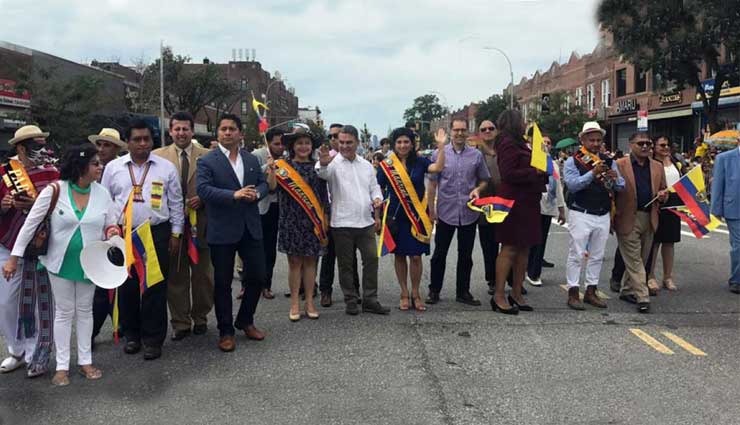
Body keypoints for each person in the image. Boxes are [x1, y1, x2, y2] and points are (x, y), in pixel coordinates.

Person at [4, 144, 119, 386]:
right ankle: (62, 366)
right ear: (81, 166)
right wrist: (14, 258)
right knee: (65, 312)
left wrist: (112, 231)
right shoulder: (54, 190)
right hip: (59, 262)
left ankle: (86, 361)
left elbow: (111, 221)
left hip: (91, 262)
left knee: (85, 310)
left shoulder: (102, 193)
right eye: (95, 163)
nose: (100, 167)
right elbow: (29, 226)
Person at [101, 119, 184, 360]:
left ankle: (153, 339)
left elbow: (176, 203)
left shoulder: (166, 168)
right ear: (127, 142)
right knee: (126, 287)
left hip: (156, 233)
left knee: (154, 287)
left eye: (147, 138)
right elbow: (105, 202)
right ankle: (132, 336)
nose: (142, 143)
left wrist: (176, 233)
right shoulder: (114, 168)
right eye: (137, 139)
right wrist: (109, 232)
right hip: (123, 235)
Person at [196, 114, 267, 352]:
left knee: (258, 276)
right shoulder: (208, 161)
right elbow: (203, 190)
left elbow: (263, 183)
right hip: (222, 229)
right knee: (223, 283)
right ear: (218, 133)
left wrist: (257, 193)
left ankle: (245, 320)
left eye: (232, 129)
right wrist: (233, 195)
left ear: (240, 133)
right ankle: (226, 331)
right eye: (224, 129)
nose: (228, 132)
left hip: (250, 227)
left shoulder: (251, 159)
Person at [0, 125, 59, 377]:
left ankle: (39, 352)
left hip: (42, 245)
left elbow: (60, 206)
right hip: (9, 244)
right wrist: (5, 206)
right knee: (7, 302)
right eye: (36, 145)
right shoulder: (6, 172)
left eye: (42, 143)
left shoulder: (53, 172)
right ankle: (17, 351)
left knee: (41, 303)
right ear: (21, 148)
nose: (42, 149)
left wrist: (36, 204)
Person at [152, 112, 214, 341]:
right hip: (172, 226)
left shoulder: (208, 156)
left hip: (202, 225)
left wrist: (204, 198)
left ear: (192, 131)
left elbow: (218, 185)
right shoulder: (157, 156)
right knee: (176, 276)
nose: (181, 133)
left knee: (203, 276)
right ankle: (181, 322)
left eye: (185, 129)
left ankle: (201, 318)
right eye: (177, 129)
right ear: (170, 131)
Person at [316, 125, 389, 315]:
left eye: (349, 142)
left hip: (365, 222)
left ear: (357, 142)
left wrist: (377, 198)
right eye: (341, 142)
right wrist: (323, 163)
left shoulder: (366, 165)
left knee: (372, 259)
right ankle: (350, 300)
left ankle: (370, 299)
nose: (345, 146)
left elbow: (374, 187)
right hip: (341, 224)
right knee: (346, 265)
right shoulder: (331, 164)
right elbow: (321, 173)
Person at [377, 127, 446, 311]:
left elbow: (438, 167)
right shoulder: (387, 165)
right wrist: (378, 215)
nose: (402, 145)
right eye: (399, 142)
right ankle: (404, 292)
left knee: (416, 257)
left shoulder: (421, 162)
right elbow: (377, 190)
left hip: (416, 215)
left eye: (406, 141)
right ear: (394, 145)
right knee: (399, 255)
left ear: (411, 143)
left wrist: (441, 146)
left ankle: (416, 293)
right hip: (395, 217)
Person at [427, 119, 490, 306]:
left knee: (466, 255)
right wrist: (431, 210)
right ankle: (434, 290)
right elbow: (432, 184)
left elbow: (484, 179)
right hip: (445, 211)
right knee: (439, 254)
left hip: (468, 212)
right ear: (450, 132)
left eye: (463, 130)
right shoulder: (439, 154)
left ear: (468, 131)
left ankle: (463, 292)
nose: (460, 134)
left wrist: (478, 190)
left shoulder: (476, 155)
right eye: (456, 130)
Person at [562, 122, 624, 309]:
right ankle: (573, 292)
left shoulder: (609, 161)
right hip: (581, 212)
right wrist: (592, 174)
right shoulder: (573, 161)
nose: (596, 144)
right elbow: (572, 185)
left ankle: (591, 290)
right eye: (592, 140)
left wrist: (615, 179)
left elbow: (622, 186)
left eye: (598, 140)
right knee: (576, 254)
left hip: (602, 213)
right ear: (583, 140)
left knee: (597, 255)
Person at [490, 110, 544, 314]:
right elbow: (508, 173)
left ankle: (517, 292)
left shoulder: (520, 143)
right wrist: (535, 171)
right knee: (510, 247)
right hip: (514, 202)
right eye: (521, 120)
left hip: (527, 201)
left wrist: (541, 171)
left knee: (524, 248)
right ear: (514, 122)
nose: (524, 123)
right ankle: (499, 295)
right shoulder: (506, 142)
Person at [271, 129, 329, 320]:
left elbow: (323, 194)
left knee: (311, 261)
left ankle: (310, 302)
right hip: (291, 219)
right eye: (299, 143)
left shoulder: (318, 167)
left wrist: (326, 217)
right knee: (295, 263)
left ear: (311, 146)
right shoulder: (282, 166)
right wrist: (271, 171)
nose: (303, 147)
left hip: (313, 220)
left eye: (307, 143)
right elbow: (272, 188)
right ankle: (295, 302)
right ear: (292, 146)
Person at [615, 133, 668, 313]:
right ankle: (642, 296)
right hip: (627, 217)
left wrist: (662, 195)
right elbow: (612, 190)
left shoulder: (657, 166)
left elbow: (664, 190)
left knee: (643, 257)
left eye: (648, 144)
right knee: (635, 260)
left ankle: (627, 290)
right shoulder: (620, 164)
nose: (645, 147)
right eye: (641, 144)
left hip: (650, 216)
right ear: (631, 145)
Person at [88, 128, 126, 346]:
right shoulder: (89, 168)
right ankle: (92, 332)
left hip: (116, 231)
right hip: (94, 232)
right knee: (100, 287)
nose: (101, 149)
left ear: (117, 148)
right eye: (99, 144)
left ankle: (121, 324)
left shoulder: (120, 169)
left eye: (107, 145)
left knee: (118, 283)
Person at [318, 123, 359, 307]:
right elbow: (320, 173)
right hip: (328, 213)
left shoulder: (351, 160)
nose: (335, 140)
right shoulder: (325, 159)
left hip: (347, 216)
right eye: (332, 137)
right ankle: (325, 291)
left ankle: (354, 290)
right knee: (328, 256)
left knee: (350, 257)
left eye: (339, 137)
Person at [527, 134, 566, 287]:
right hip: (534, 205)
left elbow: (559, 189)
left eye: (549, 143)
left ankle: (534, 271)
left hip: (548, 207)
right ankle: (530, 270)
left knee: (541, 241)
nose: (546, 145)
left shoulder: (554, 164)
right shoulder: (532, 160)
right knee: (532, 241)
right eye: (543, 143)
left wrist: (561, 210)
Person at [647, 135, 683, 292]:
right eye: (662, 145)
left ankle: (668, 277)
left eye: (667, 145)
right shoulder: (652, 164)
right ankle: (650, 276)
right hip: (658, 203)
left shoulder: (675, 161)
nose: (666, 148)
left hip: (674, 203)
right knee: (655, 242)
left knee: (670, 242)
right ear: (654, 147)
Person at [253, 128, 285, 300]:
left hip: (276, 206)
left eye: (282, 144)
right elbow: (251, 174)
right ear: (269, 142)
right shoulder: (258, 154)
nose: (280, 147)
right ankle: (247, 285)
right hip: (259, 207)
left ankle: (266, 285)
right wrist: (268, 165)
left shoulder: (286, 158)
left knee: (269, 249)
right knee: (253, 248)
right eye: (276, 144)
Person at [474, 120, 502, 294]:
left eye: (491, 128)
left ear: (496, 131)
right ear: (479, 133)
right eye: (483, 129)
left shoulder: (504, 151)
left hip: (506, 203)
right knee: (489, 245)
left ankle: (512, 279)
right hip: (485, 205)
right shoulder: (476, 154)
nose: (488, 131)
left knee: (509, 244)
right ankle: (492, 279)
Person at [711, 137, 740, 294]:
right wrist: (716, 210)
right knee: (739, 245)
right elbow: (718, 185)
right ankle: (736, 280)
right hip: (734, 208)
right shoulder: (724, 158)